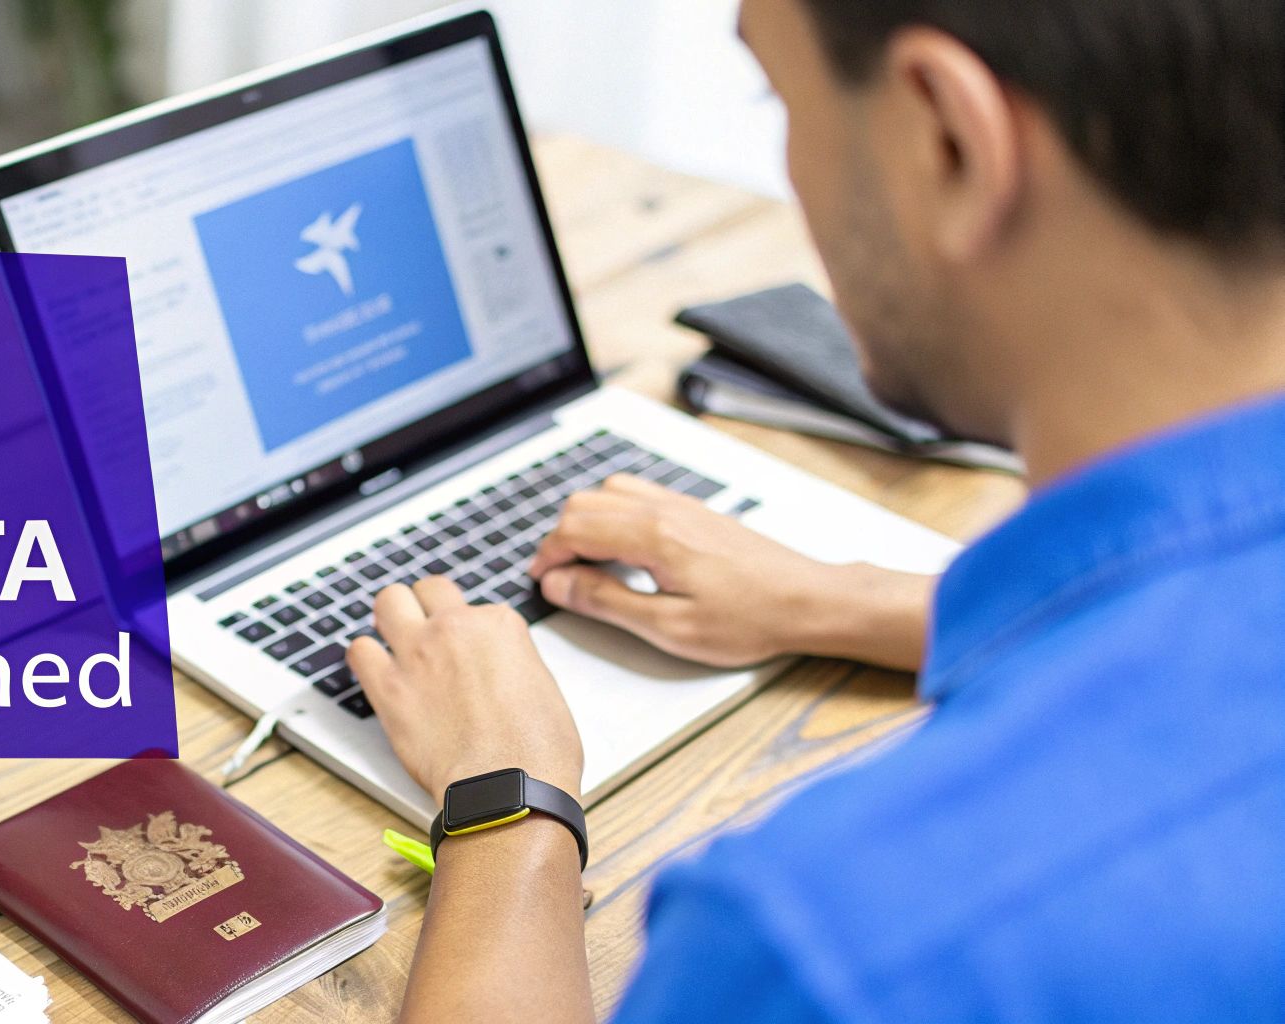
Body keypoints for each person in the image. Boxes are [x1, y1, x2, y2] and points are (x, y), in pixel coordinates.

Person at [346, 0, 1285, 1019]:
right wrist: (834, 599)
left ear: (948, 143)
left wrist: (504, 794)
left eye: (775, 95)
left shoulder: (830, 941)